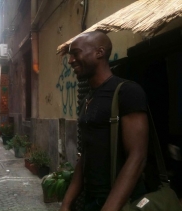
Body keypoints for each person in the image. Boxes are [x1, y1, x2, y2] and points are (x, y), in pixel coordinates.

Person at [59, 31, 149, 211]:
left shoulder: (127, 92)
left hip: (123, 203)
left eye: (76, 53)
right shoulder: (87, 99)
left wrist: (110, 207)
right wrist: (67, 203)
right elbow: (85, 156)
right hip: (92, 201)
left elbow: (137, 157)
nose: (70, 61)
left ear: (99, 52)